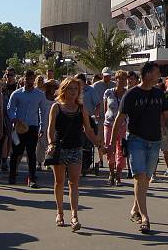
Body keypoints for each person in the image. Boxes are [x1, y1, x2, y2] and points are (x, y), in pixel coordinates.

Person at [109, 61, 168, 235]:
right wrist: (110, 144)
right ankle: (145, 217)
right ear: (147, 75)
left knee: (145, 179)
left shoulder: (160, 94)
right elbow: (118, 120)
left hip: (154, 141)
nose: (159, 74)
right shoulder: (131, 94)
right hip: (136, 139)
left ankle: (135, 208)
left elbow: (166, 116)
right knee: (140, 176)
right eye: (156, 71)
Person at [46, 76, 104, 231]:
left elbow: (88, 130)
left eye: (75, 89)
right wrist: (51, 144)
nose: (73, 92)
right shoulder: (56, 107)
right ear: (64, 90)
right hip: (60, 148)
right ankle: (59, 212)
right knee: (59, 182)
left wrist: (98, 143)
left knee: (74, 183)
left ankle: (74, 216)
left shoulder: (81, 108)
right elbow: (50, 129)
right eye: (70, 89)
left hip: (76, 148)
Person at [7, 69, 45, 187]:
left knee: (31, 153)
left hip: (32, 127)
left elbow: (43, 111)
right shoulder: (17, 93)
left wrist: (42, 127)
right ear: (24, 79)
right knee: (16, 152)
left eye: (31, 79)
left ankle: (32, 178)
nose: (30, 81)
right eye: (28, 79)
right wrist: (14, 118)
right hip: (19, 127)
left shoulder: (39, 94)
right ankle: (12, 176)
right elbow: (10, 108)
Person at [103, 70, 128, 185]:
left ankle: (118, 174)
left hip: (122, 126)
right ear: (116, 79)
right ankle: (111, 172)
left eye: (124, 79)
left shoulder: (127, 94)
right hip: (109, 125)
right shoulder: (109, 92)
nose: (122, 81)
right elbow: (105, 109)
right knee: (109, 149)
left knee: (121, 150)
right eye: (120, 79)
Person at [0, 68, 19, 172]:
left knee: (12, 139)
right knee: (6, 136)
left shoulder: (17, 87)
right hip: (4, 113)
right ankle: (4, 160)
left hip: (14, 114)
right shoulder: (2, 86)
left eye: (11, 75)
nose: (9, 77)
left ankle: (8, 159)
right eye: (8, 75)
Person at [36, 80, 57, 170]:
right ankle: (39, 162)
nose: (52, 88)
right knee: (40, 143)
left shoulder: (57, 99)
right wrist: (40, 124)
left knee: (52, 141)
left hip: (54, 122)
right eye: (50, 86)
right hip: (43, 122)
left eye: (54, 87)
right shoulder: (42, 97)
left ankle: (48, 161)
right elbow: (38, 111)